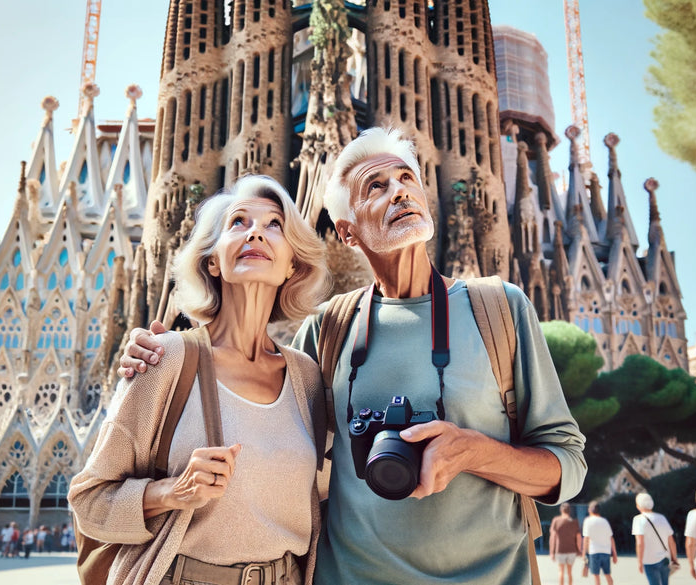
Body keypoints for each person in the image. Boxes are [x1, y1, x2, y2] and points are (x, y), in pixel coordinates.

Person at [118, 127, 587, 584]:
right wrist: (175, 354)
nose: (400, 193)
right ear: (346, 231)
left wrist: (476, 452)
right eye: (377, 187)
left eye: (408, 180)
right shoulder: (329, 329)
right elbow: (256, 407)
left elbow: (567, 466)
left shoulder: (499, 309)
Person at [69, 174, 331, 585]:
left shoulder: (307, 378)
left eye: (274, 225)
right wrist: (172, 492)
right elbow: (88, 501)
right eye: (238, 222)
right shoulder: (165, 359)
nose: (256, 233)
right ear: (213, 260)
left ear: (291, 265)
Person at [632, 492, 677, 585]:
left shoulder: (638, 520)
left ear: (638, 506)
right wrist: (674, 558)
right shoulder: (662, 518)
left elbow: (640, 543)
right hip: (665, 558)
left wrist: (639, 561)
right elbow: (671, 541)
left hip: (649, 560)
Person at [582, 501, 618, 585]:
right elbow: (611, 538)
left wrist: (584, 553)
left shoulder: (588, 521)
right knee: (608, 575)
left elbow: (586, 539)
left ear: (590, 510)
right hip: (606, 552)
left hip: (594, 551)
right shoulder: (604, 521)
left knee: (596, 576)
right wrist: (614, 554)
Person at [549, 503, 581, 585]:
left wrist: (552, 552)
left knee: (561, 571)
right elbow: (578, 538)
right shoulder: (575, 522)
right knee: (570, 572)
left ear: (561, 510)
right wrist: (579, 550)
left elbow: (553, 537)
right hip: (572, 551)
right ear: (569, 511)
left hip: (560, 550)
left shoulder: (556, 520)